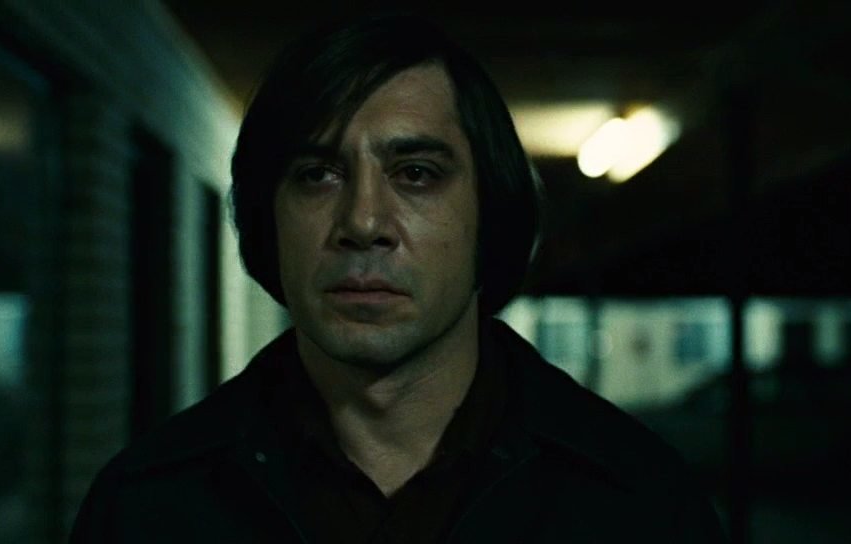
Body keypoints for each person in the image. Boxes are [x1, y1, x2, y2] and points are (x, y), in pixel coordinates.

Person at [70, 13, 727, 543]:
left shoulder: (638, 504)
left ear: (489, 214)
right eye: (317, 175)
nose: (362, 221)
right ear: (269, 221)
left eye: (415, 174)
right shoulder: (146, 508)